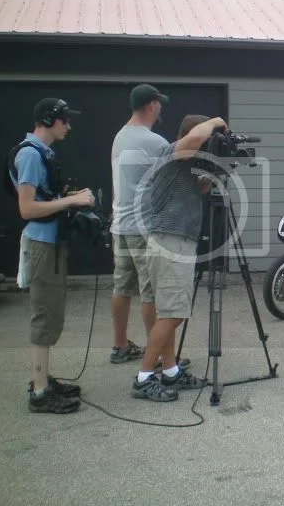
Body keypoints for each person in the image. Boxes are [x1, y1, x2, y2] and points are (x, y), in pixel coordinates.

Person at [131, 114, 228, 402]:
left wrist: (205, 181)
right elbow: (196, 139)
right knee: (174, 312)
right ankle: (145, 377)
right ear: (190, 136)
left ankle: (171, 370)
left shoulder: (182, 164)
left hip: (172, 239)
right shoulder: (170, 151)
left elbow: (192, 190)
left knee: (168, 310)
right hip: (171, 241)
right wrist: (217, 121)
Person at [7, 98, 95, 413]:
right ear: (49, 120)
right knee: (44, 316)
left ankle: (43, 379)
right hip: (42, 244)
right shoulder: (31, 155)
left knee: (51, 314)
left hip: (51, 242)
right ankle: (40, 392)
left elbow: (43, 198)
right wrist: (70, 202)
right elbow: (27, 208)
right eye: (65, 120)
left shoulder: (41, 153)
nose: (68, 126)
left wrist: (71, 198)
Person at [108, 84, 169, 364]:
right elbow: (176, 177)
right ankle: (155, 355)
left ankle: (119, 345)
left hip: (120, 224)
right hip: (143, 229)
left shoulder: (120, 136)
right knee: (151, 293)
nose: (160, 109)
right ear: (152, 105)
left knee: (122, 287)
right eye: (159, 104)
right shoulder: (153, 141)